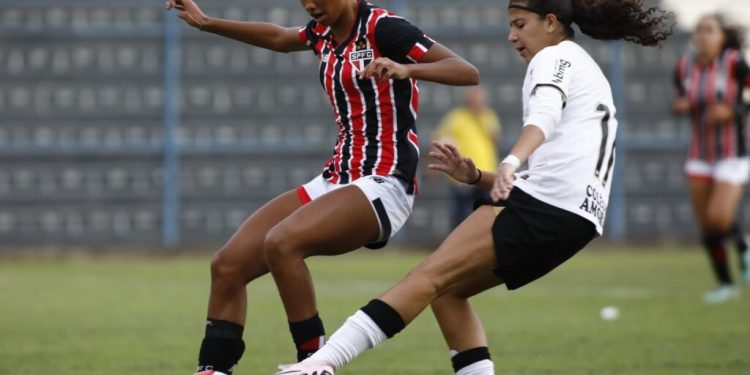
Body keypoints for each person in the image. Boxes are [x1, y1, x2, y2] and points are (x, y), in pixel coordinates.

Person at [274, 0, 673, 374]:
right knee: (448, 293)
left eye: (520, 25)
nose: (512, 37)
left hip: (546, 205)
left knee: (425, 277)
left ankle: (318, 364)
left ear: (551, 23)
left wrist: (511, 160)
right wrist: (477, 176)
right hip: (579, 217)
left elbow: (545, 116)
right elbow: (563, 163)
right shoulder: (587, 68)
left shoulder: (553, 57)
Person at [164, 0, 479, 374]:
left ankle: (313, 364)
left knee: (282, 242)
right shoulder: (322, 32)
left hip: (384, 182)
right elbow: (280, 38)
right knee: (227, 266)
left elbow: (466, 71)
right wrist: (205, 23)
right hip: (336, 178)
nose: (310, 4)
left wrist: (404, 67)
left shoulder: (382, 27)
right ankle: (213, 369)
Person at [672, 13, 750, 304]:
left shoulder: (733, 63)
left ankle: (742, 248)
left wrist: (733, 111)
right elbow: (679, 99)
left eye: (709, 30)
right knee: (707, 225)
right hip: (699, 153)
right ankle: (725, 284)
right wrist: (679, 105)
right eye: (699, 30)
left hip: (732, 152)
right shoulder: (685, 66)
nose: (703, 35)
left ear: (722, 37)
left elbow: (747, 99)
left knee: (719, 218)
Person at [433, 86, 502, 228]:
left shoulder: (488, 116)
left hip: (485, 172)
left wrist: (480, 119)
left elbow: (495, 139)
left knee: (485, 211)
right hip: (462, 173)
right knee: (460, 213)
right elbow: (440, 139)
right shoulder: (456, 117)